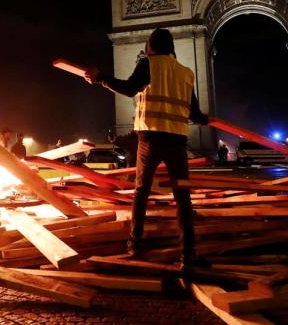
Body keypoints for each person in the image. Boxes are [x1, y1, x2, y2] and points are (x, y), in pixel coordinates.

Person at [85, 28, 208, 262]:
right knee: (182, 196)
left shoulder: (148, 64)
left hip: (150, 139)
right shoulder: (186, 73)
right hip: (177, 143)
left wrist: (101, 78)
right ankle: (188, 253)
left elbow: (129, 88)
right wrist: (205, 119)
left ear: (150, 46)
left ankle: (135, 244)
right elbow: (194, 113)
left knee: (141, 192)